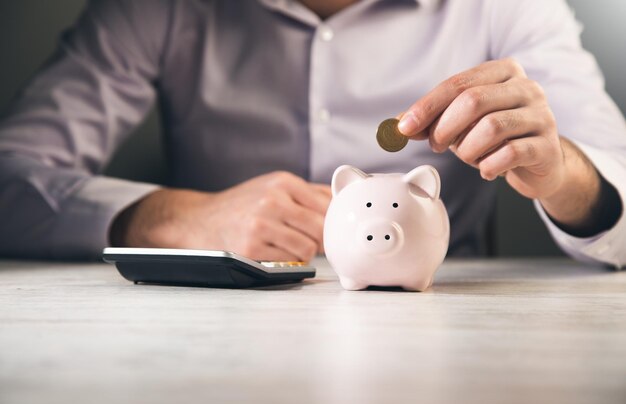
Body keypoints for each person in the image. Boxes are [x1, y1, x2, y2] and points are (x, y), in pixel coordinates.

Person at [0, 0, 624, 267]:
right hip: (207, 337)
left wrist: (563, 172)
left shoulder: (506, 7)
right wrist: (168, 218)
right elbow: (11, 177)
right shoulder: (156, 8)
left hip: (440, 329)